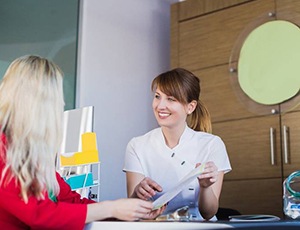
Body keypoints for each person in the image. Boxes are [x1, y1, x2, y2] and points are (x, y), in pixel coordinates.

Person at [0, 55, 164, 230]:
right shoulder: (4, 148)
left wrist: (126, 211)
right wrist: (112, 208)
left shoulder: (31, 155)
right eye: (57, 98)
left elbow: (71, 200)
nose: (62, 103)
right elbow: (39, 214)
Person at [123, 67, 231, 221]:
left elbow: (209, 213)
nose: (160, 106)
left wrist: (206, 187)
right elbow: (133, 210)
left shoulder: (212, 144)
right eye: (157, 96)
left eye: (171, 99)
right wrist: (137, 193)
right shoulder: (137, 145)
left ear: (190, 107)